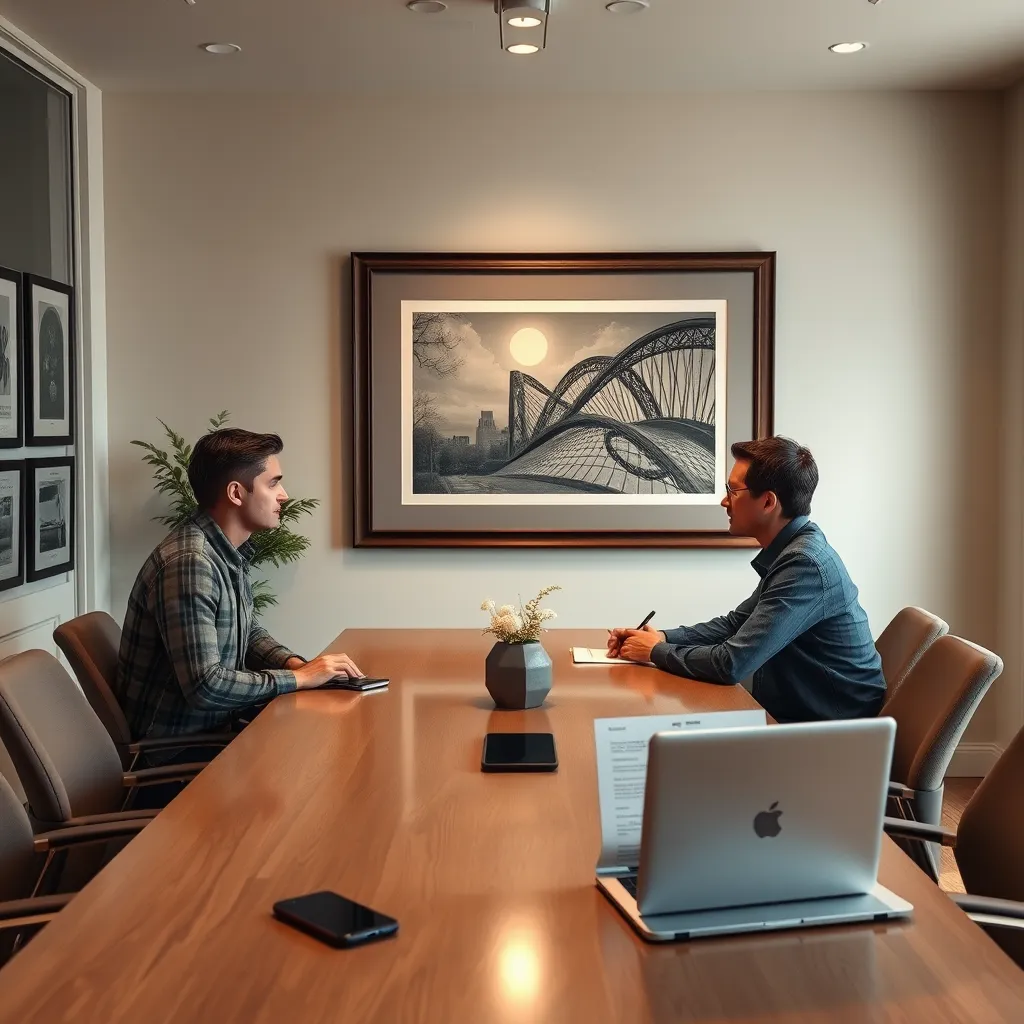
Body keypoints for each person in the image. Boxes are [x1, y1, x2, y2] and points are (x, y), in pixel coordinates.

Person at [116, 428, 363, 750]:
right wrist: (300, 680)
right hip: (180, 756)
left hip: (217, 731)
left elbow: (243, 631)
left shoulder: (221, 550)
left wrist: (294, 665)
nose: (284, 495)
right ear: (236, 493)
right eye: (273, 483)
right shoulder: (190, 564)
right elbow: (206, 686)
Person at [607, 437, 885, 723]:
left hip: (836, 733)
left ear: (767, 502)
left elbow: (732, 664)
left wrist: (655, 651)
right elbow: (734, 624)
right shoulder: (794, 551)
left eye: (733, 490)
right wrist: (662, 637)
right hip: (808, 716)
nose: (724, 501)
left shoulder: (805, 564)